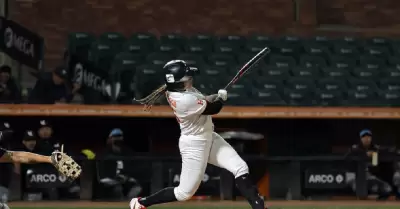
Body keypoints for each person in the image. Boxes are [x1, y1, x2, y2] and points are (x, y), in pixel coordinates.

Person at [130, 60, 267, 209]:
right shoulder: (183, 99)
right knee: (184, 193)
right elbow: (213, 109)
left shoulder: (182, 91)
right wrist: (221, 99)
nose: (190, 79)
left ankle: (259, 206)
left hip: (209, 137)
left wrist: (214, 96)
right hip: (194, 145)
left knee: (240, 167)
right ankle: (141, 203)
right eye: (187, 78)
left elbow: (204, 101)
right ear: (177, 82)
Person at [345, 129, 392, 200]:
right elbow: (347, 156)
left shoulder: (374, 147)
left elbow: (385, 150)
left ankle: (373, 199)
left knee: (387, 188)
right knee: (358, 189)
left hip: (367, 174)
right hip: (353, 174)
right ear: (361, 138)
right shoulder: (355, 148)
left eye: (368, 137)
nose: (367, 139)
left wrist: (374, 153)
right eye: (364, 137)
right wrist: (365, 153)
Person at [98, 129, 142, 200]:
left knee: (137, 187)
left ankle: (127, 203)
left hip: (124, 179)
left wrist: (127, 177)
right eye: (115, 137)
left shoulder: (127, 152)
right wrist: (115, 177)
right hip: (109, 179)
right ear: (110, 138)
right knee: (117, 188)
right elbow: (104, 172)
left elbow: (132, 168)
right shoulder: (105, 152)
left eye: (119, 136)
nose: (118, 139)